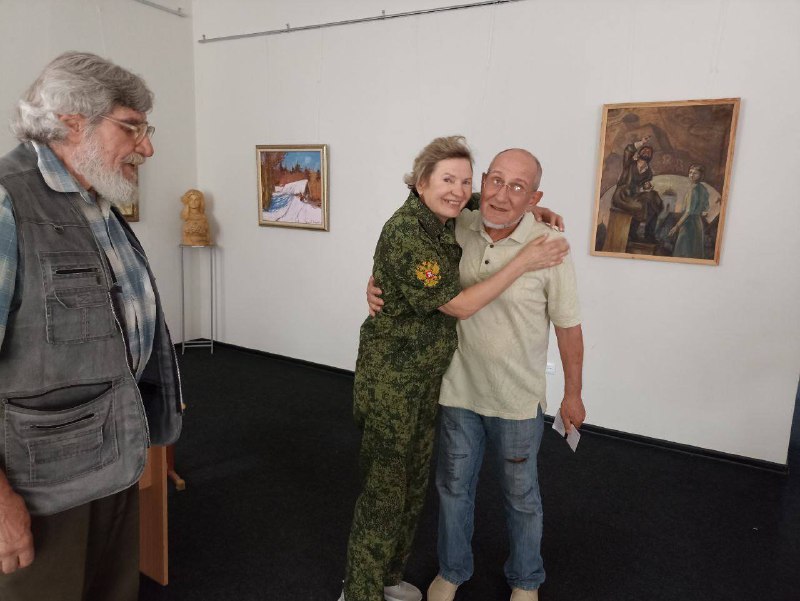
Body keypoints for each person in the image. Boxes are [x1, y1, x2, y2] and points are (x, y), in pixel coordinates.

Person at [341, 136, 568, 601]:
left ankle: (388, 577)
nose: (459, 190)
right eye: (448, 179)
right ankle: (359, 591)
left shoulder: (449, 217)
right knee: (385, 492)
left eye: (466, 181)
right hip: (393, 381)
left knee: (412, 487)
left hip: (429, 381)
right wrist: (524, 260)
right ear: (421, 182)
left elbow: (492, 199)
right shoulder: (409, 233)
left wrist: (532, 210)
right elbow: (460, 305)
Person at [0, 52, 183, 601]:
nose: (147, 148)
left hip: (111, 463)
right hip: (41, 487)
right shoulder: (8, 202)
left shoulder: (95, 202)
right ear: (72, 122)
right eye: (132, 127)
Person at [669, 164, 709, 259]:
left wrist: (676, 226)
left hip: (688, 224)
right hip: (698, 223)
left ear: (701, 175)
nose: (691, 175)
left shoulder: (693, 190)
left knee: (683, 252)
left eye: (695, 173)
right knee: (694, 252)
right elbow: (706, 208)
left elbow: (688, 211)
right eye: (690, 172)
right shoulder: (704, 189)